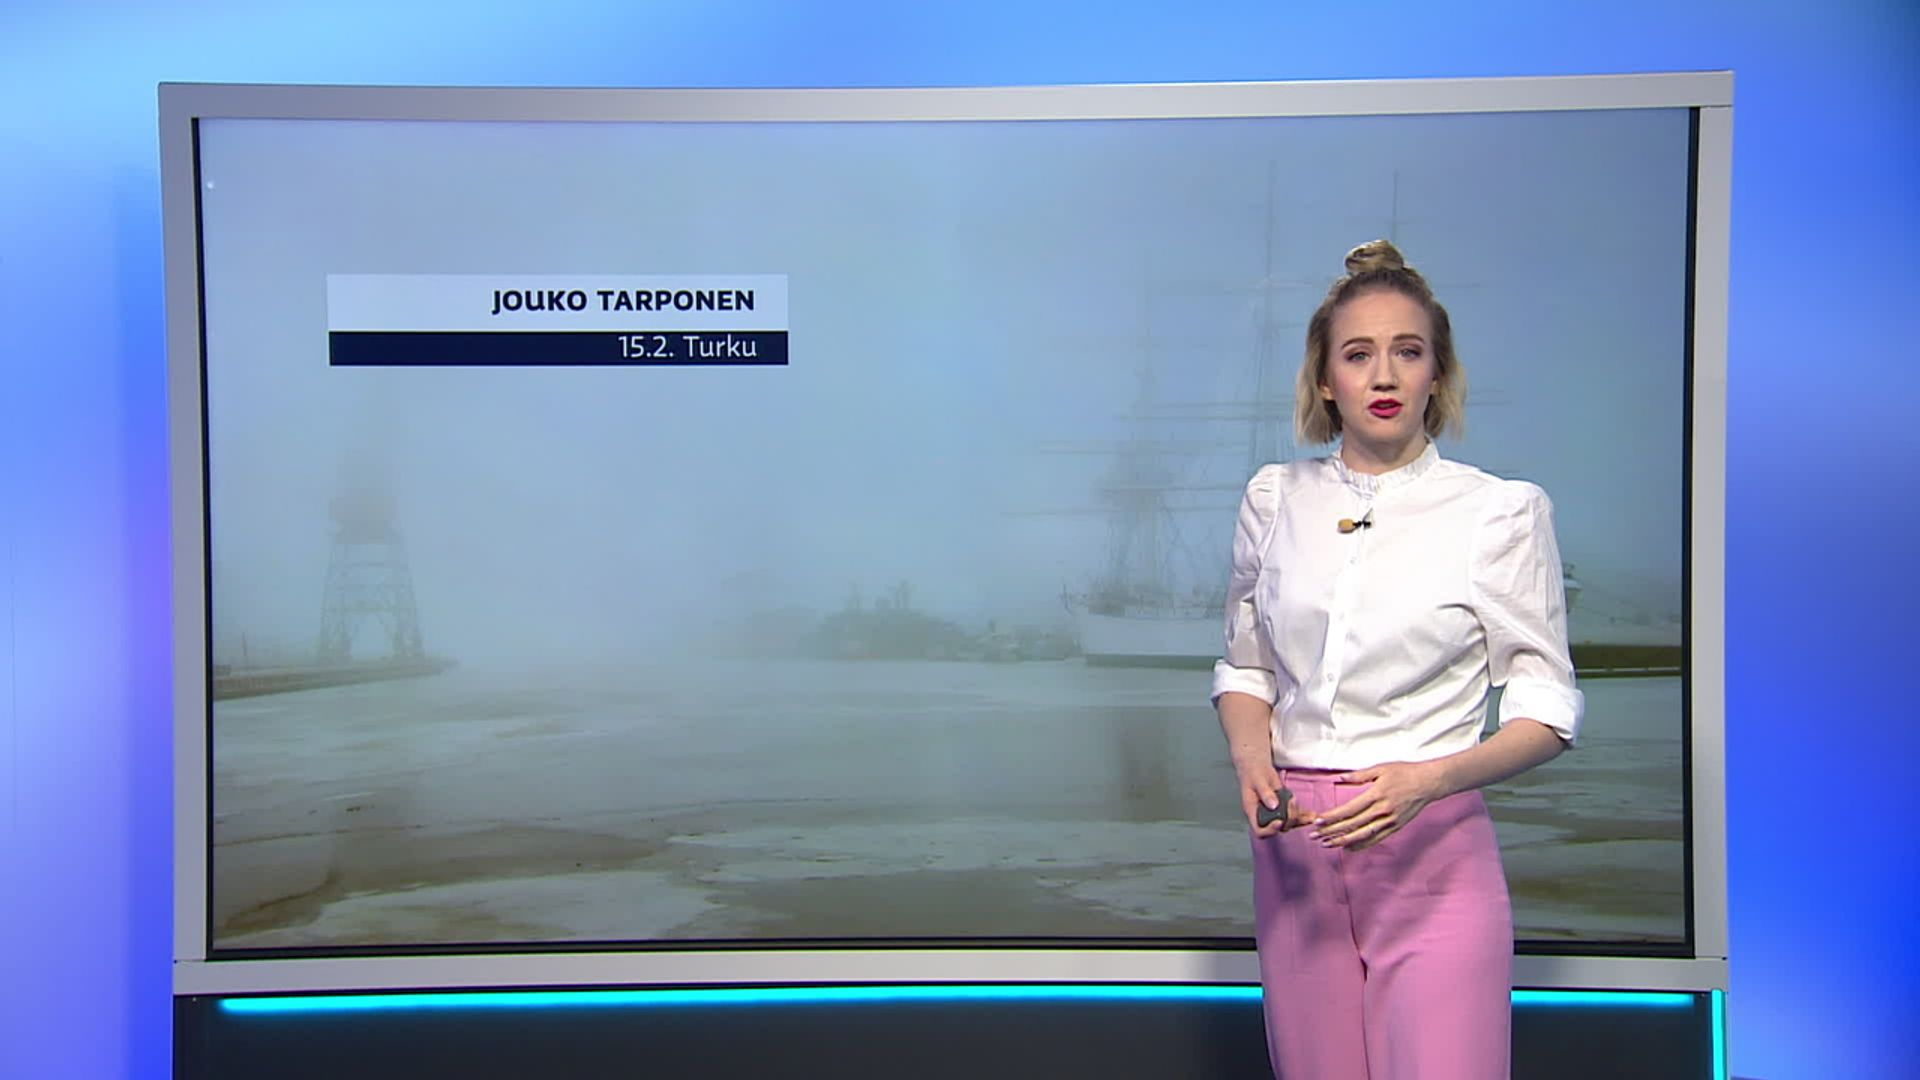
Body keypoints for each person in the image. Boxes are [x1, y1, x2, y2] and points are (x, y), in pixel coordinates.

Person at [1211, 239, 1582, 1079]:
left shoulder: (1498, 513)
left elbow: (1549, 710)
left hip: (1430, 839)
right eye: (1358, 355)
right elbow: (1246, 668)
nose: (1383, 376)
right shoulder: (1275, 499)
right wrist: (1251, 761)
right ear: (1324, 380)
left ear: (1436, 375)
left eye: (1407, 352)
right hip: (1294, 849)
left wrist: (1427, 781)